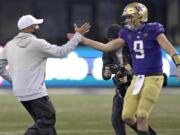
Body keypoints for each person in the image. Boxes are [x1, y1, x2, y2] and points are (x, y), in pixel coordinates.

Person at [76, 2, 180, 135]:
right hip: (137, 78)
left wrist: (178, 65)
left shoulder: (154, 29)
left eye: (129, 17)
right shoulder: (126, 33)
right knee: (126, 116)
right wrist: (82, 39)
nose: (126, 20)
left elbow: (169, 48)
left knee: (142, 114)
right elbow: (106, 47)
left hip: (153, 77)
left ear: (139, 16)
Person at [0, 14, 90, 135]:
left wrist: (14, 80)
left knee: (44, 125)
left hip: (19, 92)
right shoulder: (37, 43)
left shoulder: (9, 45)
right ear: (30, 27)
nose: (37, 27)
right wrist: (78, 36)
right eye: (35, 25)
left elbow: (0, 67)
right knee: (47, 119)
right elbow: (61, 52)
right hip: (35, 91)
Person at [102, 24, 157, 135]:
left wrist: (129, 76)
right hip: (121, 90)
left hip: (136, 87)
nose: (112, 42)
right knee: (116, 120)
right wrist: (106, 73)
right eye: (110, 39)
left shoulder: (133, 48)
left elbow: (143, 68)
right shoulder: (107, 50)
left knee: (137, 120)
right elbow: (105, 72)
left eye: (114, 39)